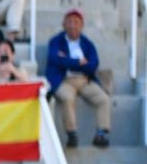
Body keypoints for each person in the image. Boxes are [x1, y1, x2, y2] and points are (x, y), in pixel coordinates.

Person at [47, 8, 110, 149]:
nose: (73, 25)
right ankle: (71, 134)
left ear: (82, 25)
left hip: (84, 80)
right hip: (63, 80)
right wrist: (78, 62)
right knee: (67, 98)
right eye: (69, 22)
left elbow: (93, 64)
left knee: (103, 99)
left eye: (76, 22)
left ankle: (101, 133)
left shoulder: (87, 43)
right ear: (63, 24)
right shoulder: (56, 41)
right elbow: (54, 59)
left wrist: (69, 61)